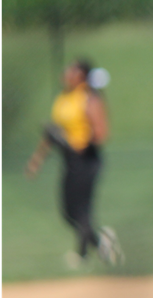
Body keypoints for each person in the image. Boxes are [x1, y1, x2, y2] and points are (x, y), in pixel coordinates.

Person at [24, 59, 123, 268]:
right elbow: (52, 133)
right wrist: (37, 160)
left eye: (72, 70)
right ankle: (102, 243)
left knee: (81, 210)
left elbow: (101, 133)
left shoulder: (89, 98)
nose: (66, 72)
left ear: (82, 76)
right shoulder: (62, 99)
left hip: (86, 160)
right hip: (70, 160)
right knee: (68, 213)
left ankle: (82, 254)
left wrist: (73, 143)